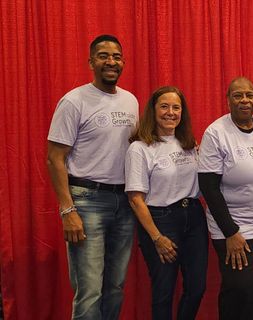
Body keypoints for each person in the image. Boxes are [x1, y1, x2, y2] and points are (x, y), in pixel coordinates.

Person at [46, 34, 138, 319]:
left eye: (116, 56)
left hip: (124, 203)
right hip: (87, 203)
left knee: (115, 287)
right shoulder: (74, 101)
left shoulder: (131, 101)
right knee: (89, 291)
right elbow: (54, 157)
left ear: (123, 62)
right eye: (103, 56)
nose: (111, 61)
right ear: (91, 62)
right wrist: (68, 209)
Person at [198, 77, 253, 320]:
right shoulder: (216, 133)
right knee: (241, 290)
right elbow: (208, 187)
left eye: (249, 95)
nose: (244, 100)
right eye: (237, 95)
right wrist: (230, 232)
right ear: (228, 101)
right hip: (235, 228)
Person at [125, 86, 207, 320]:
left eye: (176, 107)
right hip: (160, 221)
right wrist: (157, 238)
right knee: (163, 292)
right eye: (164, 106)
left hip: (193, 217)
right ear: (153, 111)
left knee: (197, 288)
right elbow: (135, 198)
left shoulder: (190, 144)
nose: (170, 112)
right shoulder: (140, 148)